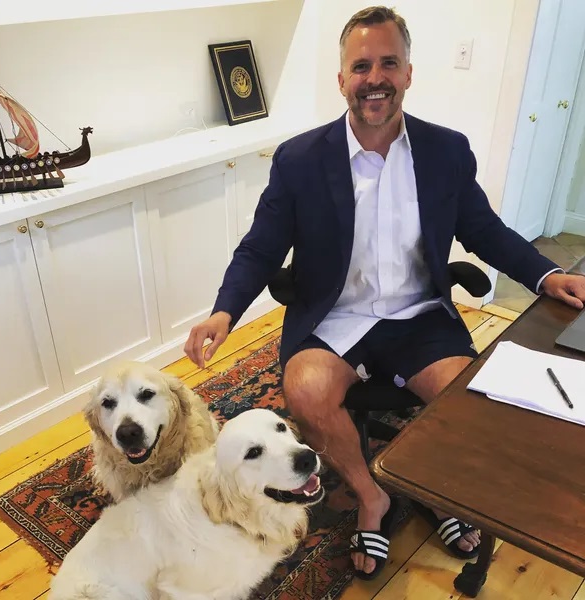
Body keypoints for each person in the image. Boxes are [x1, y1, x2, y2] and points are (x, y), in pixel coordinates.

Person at [185, 5, 585, 579]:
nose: (376, 78)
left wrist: (548, 276)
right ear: (343, 79)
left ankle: (440, 492)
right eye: (362, 65)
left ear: (408, 73)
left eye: (389, 63)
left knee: (472, 400)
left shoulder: (446, 151)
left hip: (417, 315)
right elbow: (260, 247)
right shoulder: (300, 160)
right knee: (306, 390)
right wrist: (225, 310)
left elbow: (485, 230)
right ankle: (372, 497)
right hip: (335, 319)